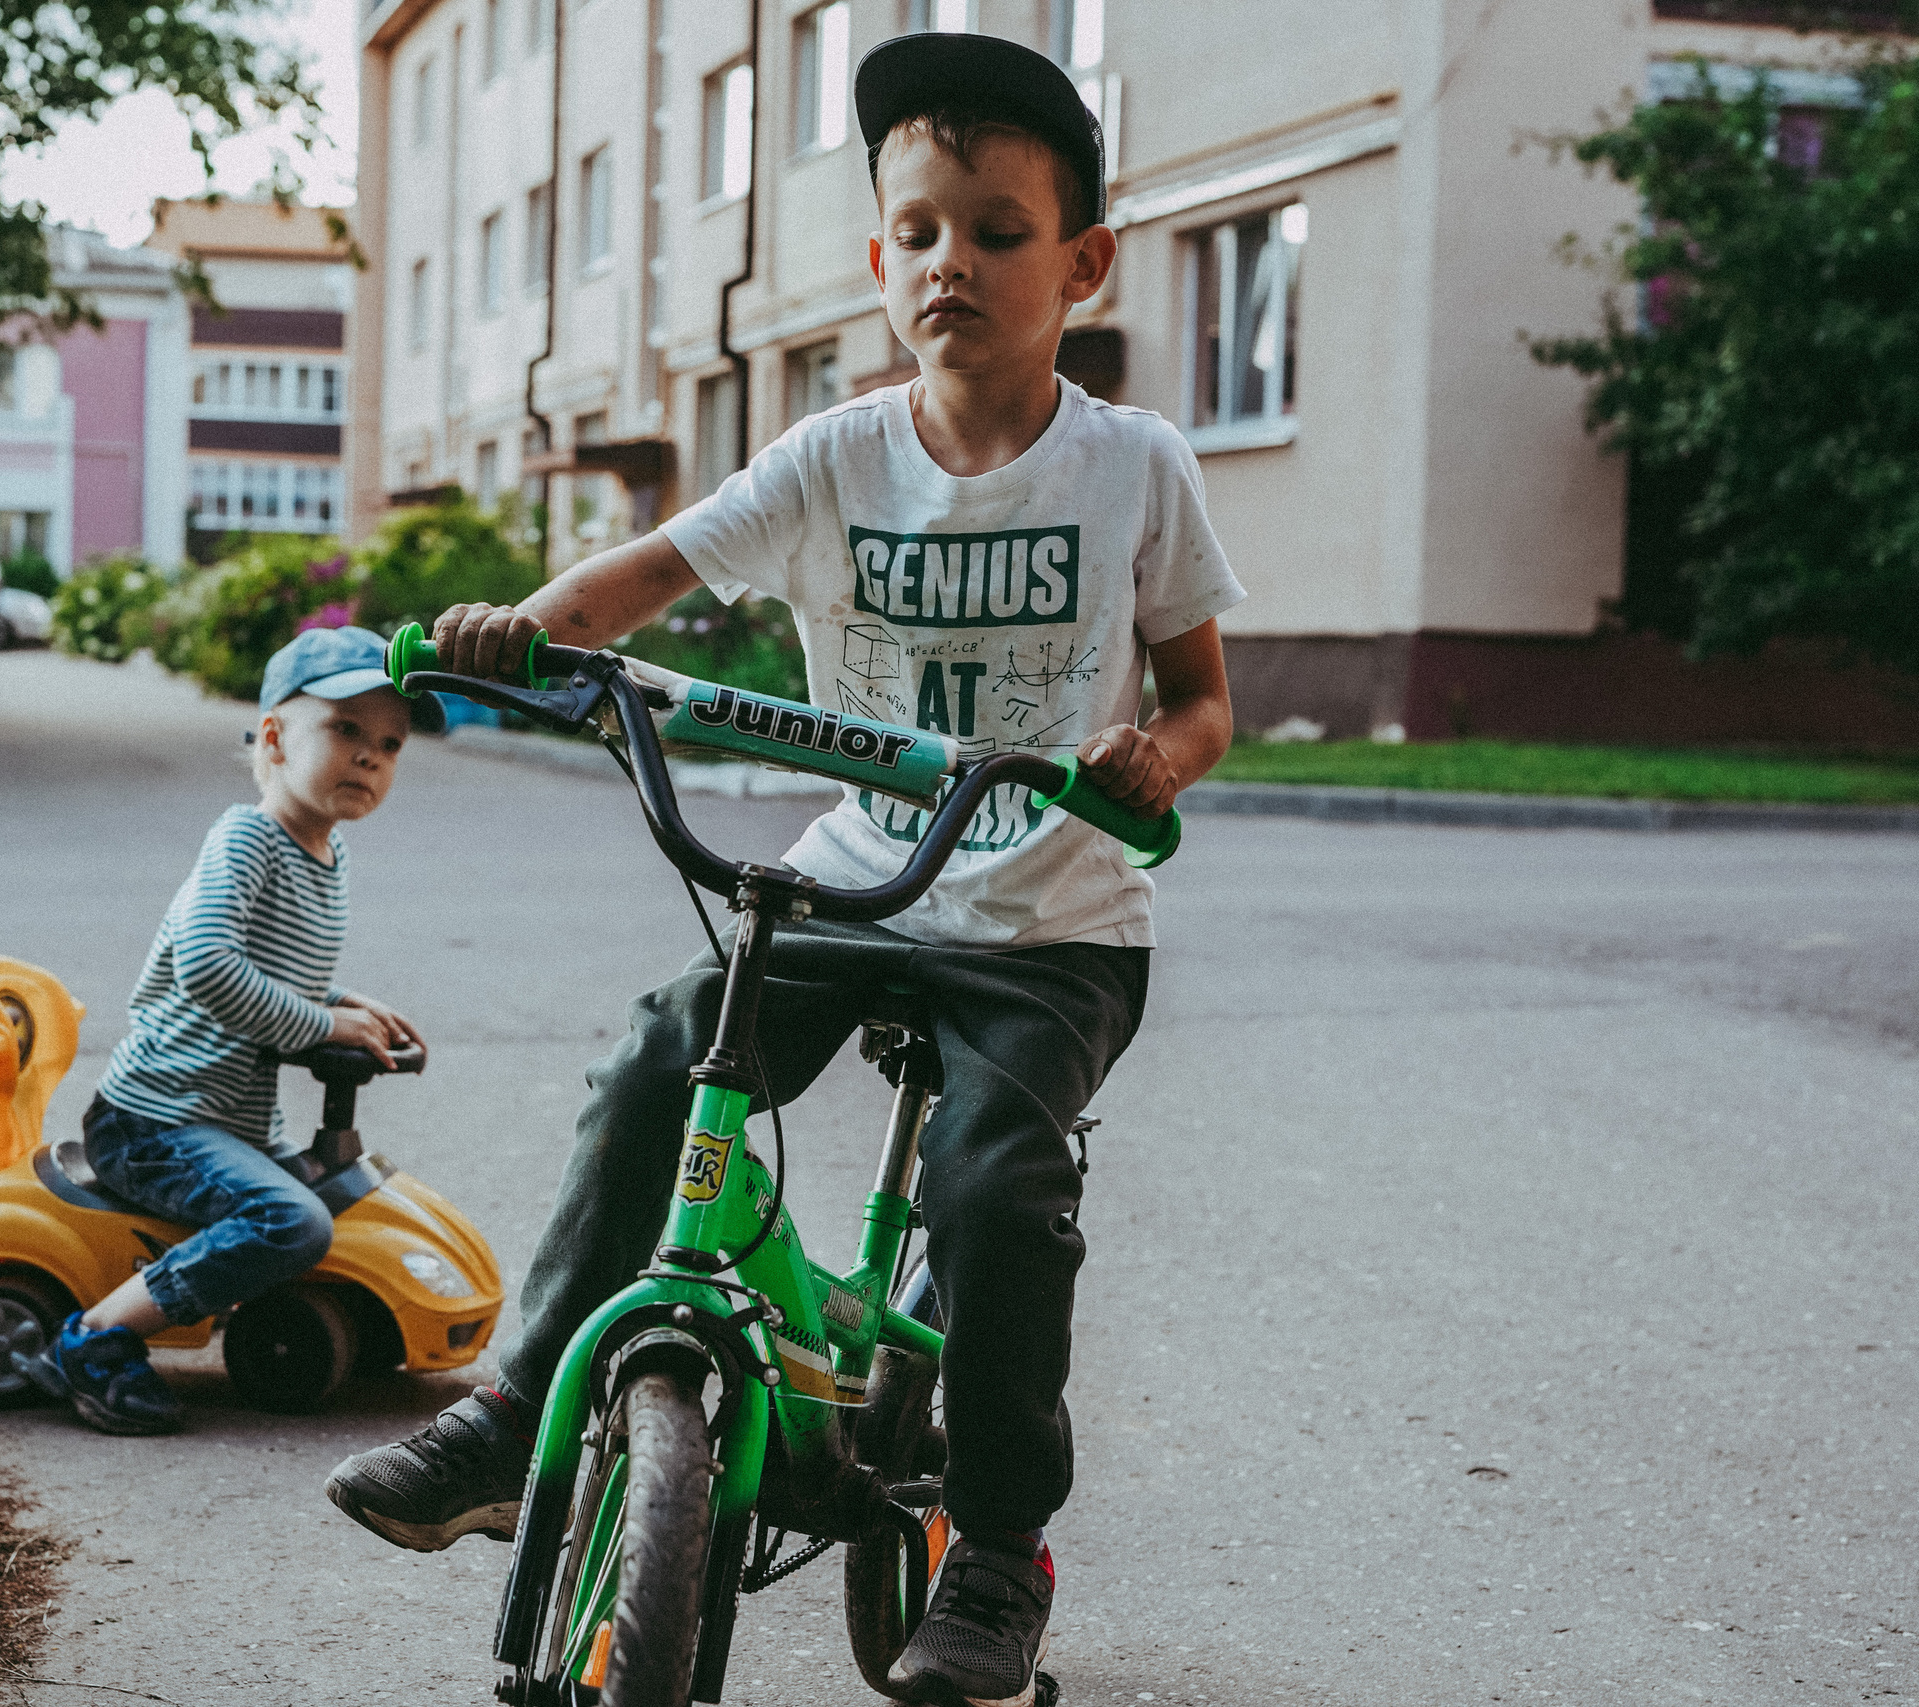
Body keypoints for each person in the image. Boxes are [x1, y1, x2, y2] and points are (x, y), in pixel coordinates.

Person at [327, 30, 1244, 1707]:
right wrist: (506, 637)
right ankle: (518, 1411)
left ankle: (995, 1556)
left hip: (1050, 927)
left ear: (1085, 261)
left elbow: (1200, 705)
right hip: (858, 880)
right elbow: (638, 584)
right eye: (915, 232)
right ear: (877, 257)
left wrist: (1145, 762)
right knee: (661, 1052)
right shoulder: (839, 457)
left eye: (996, 229)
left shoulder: (1133, 470)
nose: (947, 262)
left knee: (992, 1193)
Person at [23, 626, 440, 1436]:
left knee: (333, 1194)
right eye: (347, 729)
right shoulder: (245, 840)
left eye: (390, 743)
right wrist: (324, 1019)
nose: (370, 756)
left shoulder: (329, 853)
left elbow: (282, 975)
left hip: (223, 1121)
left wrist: (351, 1006)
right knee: (294, 1219)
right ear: (277, 738)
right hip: (154, 1122)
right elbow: (210, 966)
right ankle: (95, 1340)